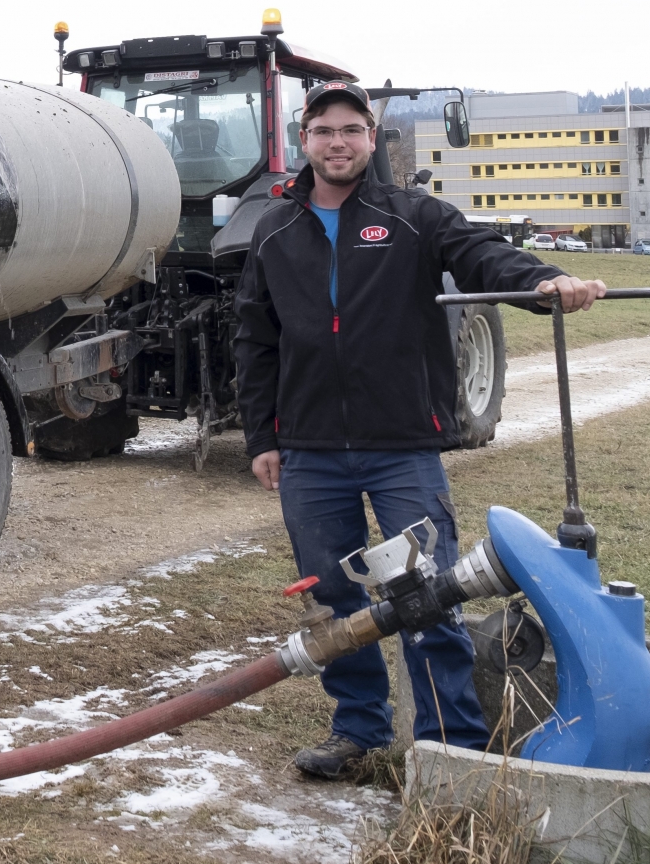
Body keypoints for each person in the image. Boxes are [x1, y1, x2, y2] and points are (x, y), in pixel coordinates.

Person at [234, 83, 606, 777]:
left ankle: (450, 747)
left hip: (401, 448)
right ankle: (360, 729)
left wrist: (545, 279)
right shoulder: (274, 231)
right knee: (332, 599)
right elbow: (256, 340)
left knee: (427, 596)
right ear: (304, 140)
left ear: (372, 139)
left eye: (352, 129)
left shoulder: (414, 217)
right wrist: (263, 436)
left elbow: (482, 254)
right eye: (324, 130)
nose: (338, 142)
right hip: (311, 455)